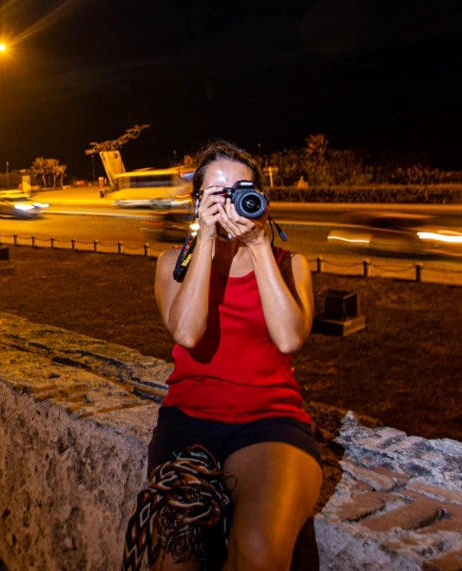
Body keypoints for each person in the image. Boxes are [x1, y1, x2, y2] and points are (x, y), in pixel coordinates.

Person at [121, 140, 321, 571]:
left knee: (259, 553)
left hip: (270, 420)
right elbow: (187, 333)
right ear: (197, 203)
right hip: (188, 421)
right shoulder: (172, 262)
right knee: (176, 556)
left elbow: (289, 339)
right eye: (216, 194)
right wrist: (206, 237)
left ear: (262, 199)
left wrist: (260, 246)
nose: (230, 205)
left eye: (240, 192)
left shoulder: (291, 264)